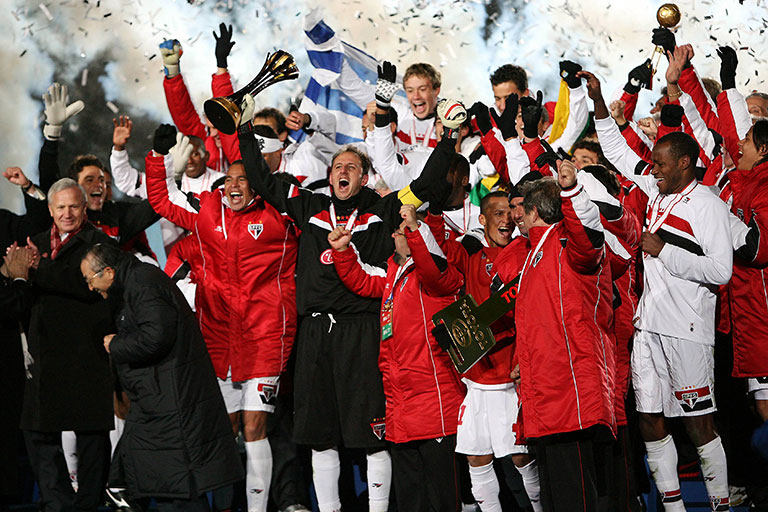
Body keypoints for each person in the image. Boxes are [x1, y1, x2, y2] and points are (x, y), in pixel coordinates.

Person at [238, 92, 465, 512]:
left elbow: (428, 185)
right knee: (320, 432)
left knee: (369, 432)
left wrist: (449, 138)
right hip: (314, 335)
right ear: (330, 175)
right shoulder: (309, 206)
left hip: (362, 332)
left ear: (363, 178)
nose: (344, 171)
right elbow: (263, 180)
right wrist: (244, 130)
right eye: (338, 167)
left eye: (353, 168)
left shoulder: (383, 209)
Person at [585, 69, 734, 511]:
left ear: (684, 163)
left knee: (698, 425)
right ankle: (672, 507)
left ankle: (721, 505)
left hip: (688, 329)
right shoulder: (657, 190)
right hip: (649, 326)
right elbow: (615, 150)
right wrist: (595, 100)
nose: (653, 170)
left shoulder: (708, 204)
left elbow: (721, 270)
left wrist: (664, 250)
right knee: (650, 417)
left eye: (661, 164)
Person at [145, 124, 298, 512]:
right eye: (228, 178)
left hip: (265, 338)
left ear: (258, 184)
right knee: (225, 430)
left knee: (253, 428)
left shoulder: (281, 215)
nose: (233, 185)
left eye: (243, 179)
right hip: (218, 340)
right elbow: (162, 201)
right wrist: (157, 157)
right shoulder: (207, 211)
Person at [79, 242, 243, 511]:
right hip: (158, 401)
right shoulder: (133, 282)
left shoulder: (143, 282)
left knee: (177, 490)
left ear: (108, 271)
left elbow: (157, 337)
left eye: (90, 280)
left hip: (172, 403)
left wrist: (116, 344)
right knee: (158, 482)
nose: (90, 288)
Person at [328, 204, 466, 512]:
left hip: (435, 408)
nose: (396, 234)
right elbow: (361, 280)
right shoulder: (393, 272)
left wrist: (416, 228)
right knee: (410, 502)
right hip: (401, 409)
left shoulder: (439, 277)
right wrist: (343, 251)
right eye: (398, 230)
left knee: (443, 500)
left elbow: (432, 266)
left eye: (404, 230)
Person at [509, 160, 616, 512]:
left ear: (535, 211)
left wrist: (571, 191)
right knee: (557, 494)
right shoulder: (535, 251)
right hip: (545, 385)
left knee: (575, 492)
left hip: (568, 386)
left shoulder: (568, 242)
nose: (517, 219)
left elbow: (589, 242)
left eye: (521, 211)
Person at [22, 178, 116, 512]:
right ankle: (57, 502)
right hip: (43, 354)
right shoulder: (33, 243)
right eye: (60, 207)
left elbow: (81, 282)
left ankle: (88, 504)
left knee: (91, 435)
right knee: (38, 431)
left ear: (84, 207)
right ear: (50, 210)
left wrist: (38, 268)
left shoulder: (100, 243)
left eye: (73, 206)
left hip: (85, 352)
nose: (67, 213)